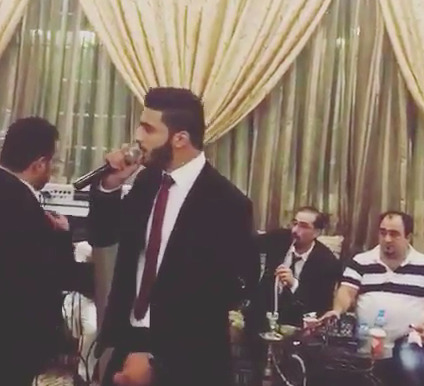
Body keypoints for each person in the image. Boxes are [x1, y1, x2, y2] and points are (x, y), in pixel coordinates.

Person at [88, 87, 259, 386]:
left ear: (179, 138)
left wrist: (157, 359)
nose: (138, 136)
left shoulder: (228, 203)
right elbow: (102, 236)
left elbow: (236, 286)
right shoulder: (147, 182)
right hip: (129, 339)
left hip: (187, 358)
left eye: (148, 128)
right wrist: (110, 186)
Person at [0, 117, 93, 385]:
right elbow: (55, 274)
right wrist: (63, 235)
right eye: (54, 162)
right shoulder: (25, 207)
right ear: (40, 163)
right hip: (14, 339)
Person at [320, 211, 424, 386]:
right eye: (383, 233)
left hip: (409, 349)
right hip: (367, 351)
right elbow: (347, 291)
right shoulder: (361, 261)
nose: (387, 239)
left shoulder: (422, 265)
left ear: (408, 237)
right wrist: (337, 310)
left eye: (394, 234)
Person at [246, 206, 341, 331]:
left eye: (303, 226)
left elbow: (320, 305)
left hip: (297, 323)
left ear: (317, 232)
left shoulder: (327, 262)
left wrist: (294, 285)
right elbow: (249, 244)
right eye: (295, 223)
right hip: (261, 315)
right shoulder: (278, 239)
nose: (295, 230)